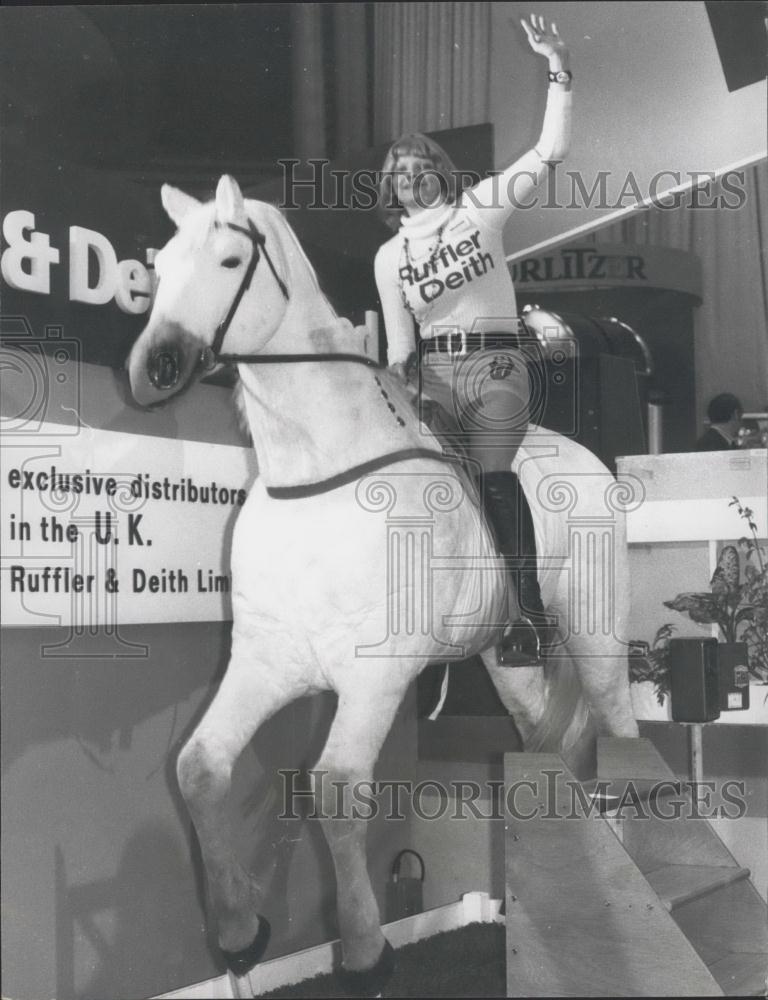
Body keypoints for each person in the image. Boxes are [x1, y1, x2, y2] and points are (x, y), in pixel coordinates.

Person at [374, 14, 571, 665]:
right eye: (399, 170)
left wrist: (556, 68)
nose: (411, 176)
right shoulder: (389, 256)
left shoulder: (480, 209)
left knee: (489, 477)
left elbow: (547, 151)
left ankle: (532, 614)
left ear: (440, 171)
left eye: (421, 165)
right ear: (390, 184)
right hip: (430, 374)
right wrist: (397, 389)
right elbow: (399, 346)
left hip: (494, 366)